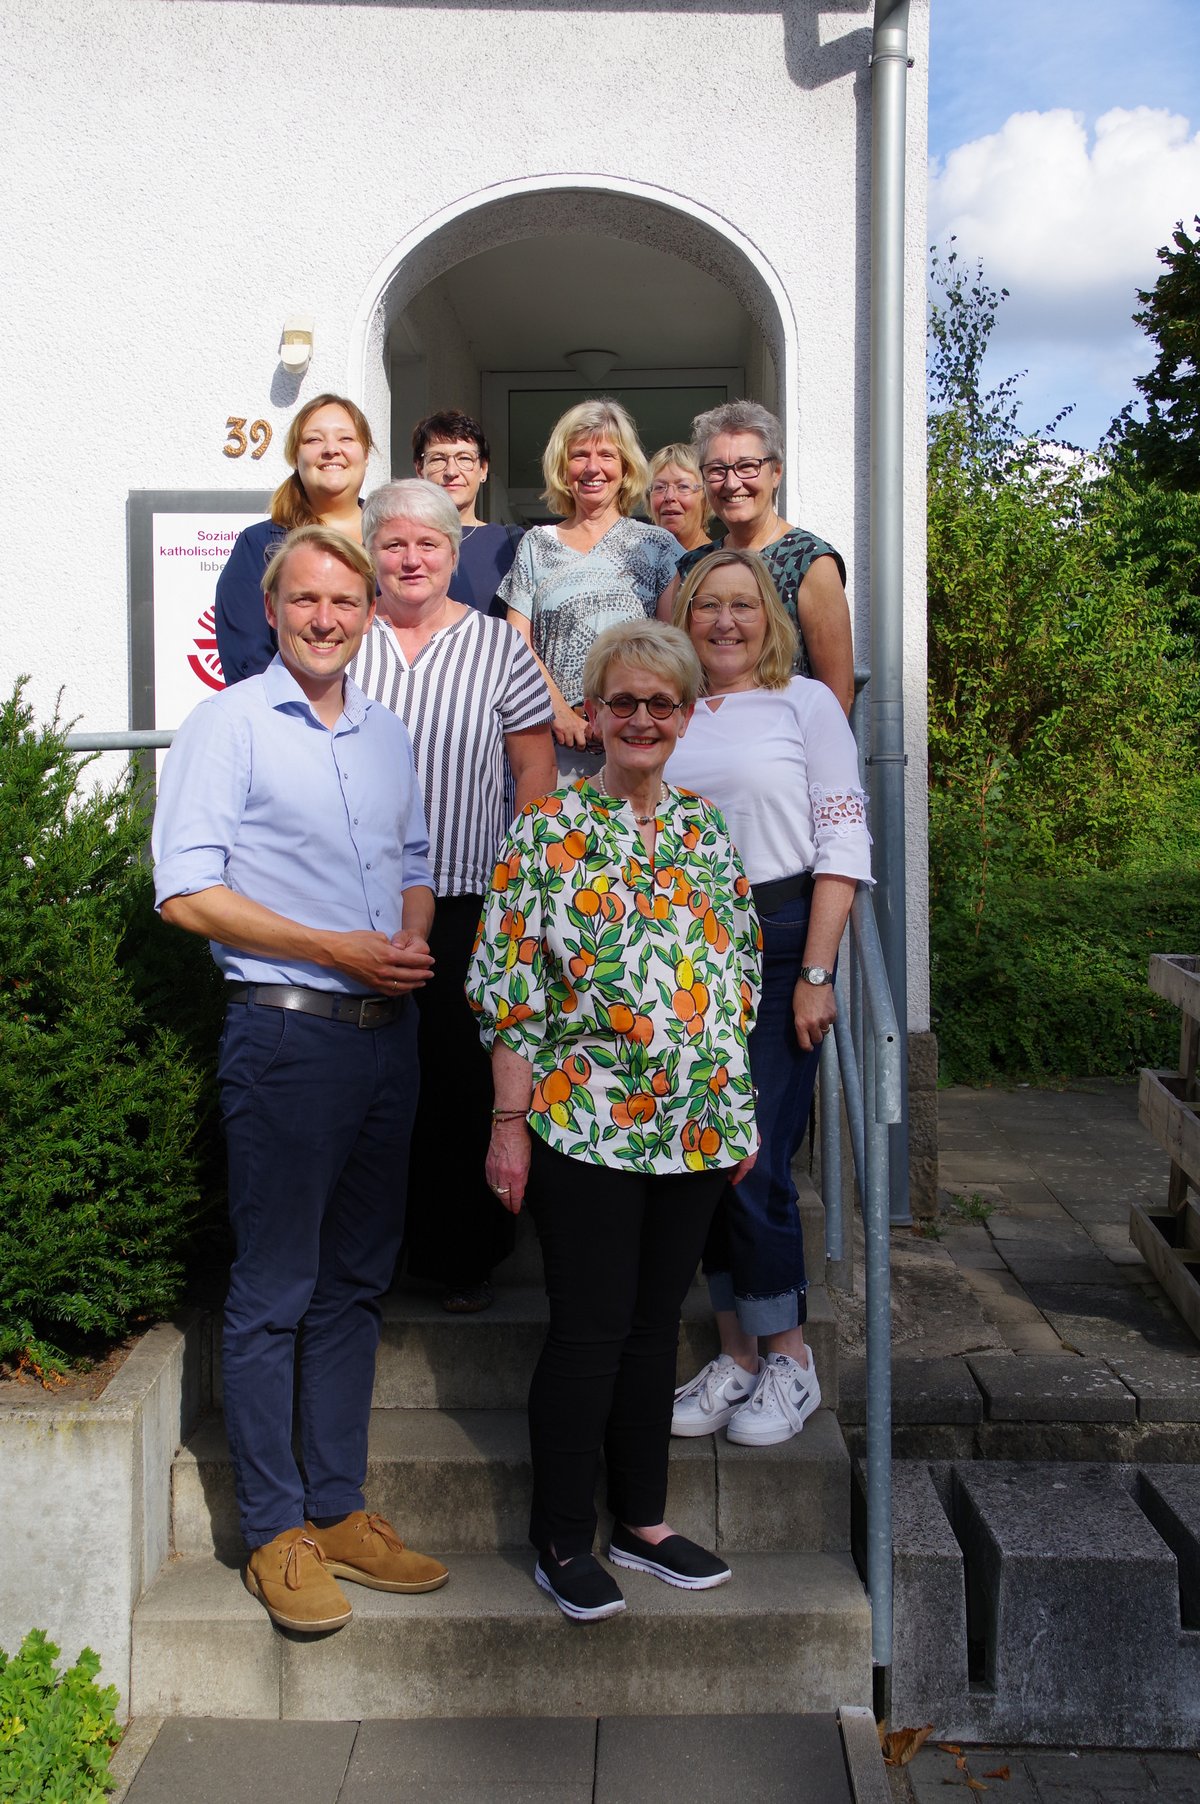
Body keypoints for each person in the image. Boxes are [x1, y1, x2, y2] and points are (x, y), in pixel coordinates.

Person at [152, 524, 449, 1633]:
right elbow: (186, 892)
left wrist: (410, 935)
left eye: (347, 602)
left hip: (389, 1033)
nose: (328, 618)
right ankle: (274, 1531)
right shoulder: (226, 725)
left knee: (355, 1286)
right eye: (308, 600)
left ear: (371, 615)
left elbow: (414, 862)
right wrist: (338, 948)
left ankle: (336, 1511)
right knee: (275, 1290)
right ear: (273, 611)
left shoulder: (384, 734)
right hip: (286, 1038)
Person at [467, 620, 761, 1623]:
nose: (640, 720)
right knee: (591, 1330)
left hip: (693, 1125)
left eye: (661, 704)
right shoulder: (546, 832)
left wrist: (739, 1109)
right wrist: (509, 1124)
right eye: (622, 703)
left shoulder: (705, 830)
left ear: (684, 716)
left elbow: (738, 977)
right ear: (590, 717)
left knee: (651, 1332)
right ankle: (559, 1538)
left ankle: (641, 1520)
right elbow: (511, 992)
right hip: (581, 1123)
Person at [665, 549, 871, 1445]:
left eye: (743, 605)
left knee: (753, 1158)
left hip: (783, 944)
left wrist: (819, 973)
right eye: (707, 605)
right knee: (701, 1158)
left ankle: (789, 1355)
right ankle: (736, 1355)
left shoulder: (807, 703)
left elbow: (844, 842)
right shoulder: (664, 709)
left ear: (769, 617)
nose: (724, 621)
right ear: (684, 617)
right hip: (678, 952)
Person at [349, 479, 556, 1313]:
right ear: (372, 554)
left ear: (452, 554)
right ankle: (373, 1251)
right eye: (394, 545)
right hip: (353, 903)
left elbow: (534, 765)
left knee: (459, 1085)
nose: (410, 559)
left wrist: (530, 868)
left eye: (427, 545)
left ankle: (463, 1256)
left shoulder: (498, 648)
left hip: (469, 893)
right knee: (366, 1083)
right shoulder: (342, 642)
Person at [497, 398, 682, 780]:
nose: (592, 468)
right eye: (579, 455)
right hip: (555, 745)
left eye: (607, 455)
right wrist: (558, 711)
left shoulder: (657, 546)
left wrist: (629, 713)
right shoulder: (536, 544)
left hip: (636, 740)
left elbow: (672, 651)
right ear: (563, 468)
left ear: (626, 466)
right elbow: (518, 646)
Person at [656, 399, 855, 714]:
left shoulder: (811, 562)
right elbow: (671, 679)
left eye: (747, 466)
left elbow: (837, 696)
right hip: (701, 748)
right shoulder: (690, 568)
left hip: (781, 751)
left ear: (775, 472)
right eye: (717, 470)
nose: (732, 483)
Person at [214, 394, 375, 683]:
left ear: (366, 454)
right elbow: (249, 667)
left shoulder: (398, 543)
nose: (331, 450)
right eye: (314, 440)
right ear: (295, 457)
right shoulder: (260, 547)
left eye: (346, 439)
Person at [412, 408, 523, 616]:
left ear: (483, 469)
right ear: (420, 469)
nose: (451, 472)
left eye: (464, 458)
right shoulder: (400, 543)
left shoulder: (512, 543)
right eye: (437, 459)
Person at [646, 443, 710, 552]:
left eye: (683, 486)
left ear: (706, 498)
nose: (669, 496)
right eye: (660, 487)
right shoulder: (637, 564)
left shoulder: (721, 565)